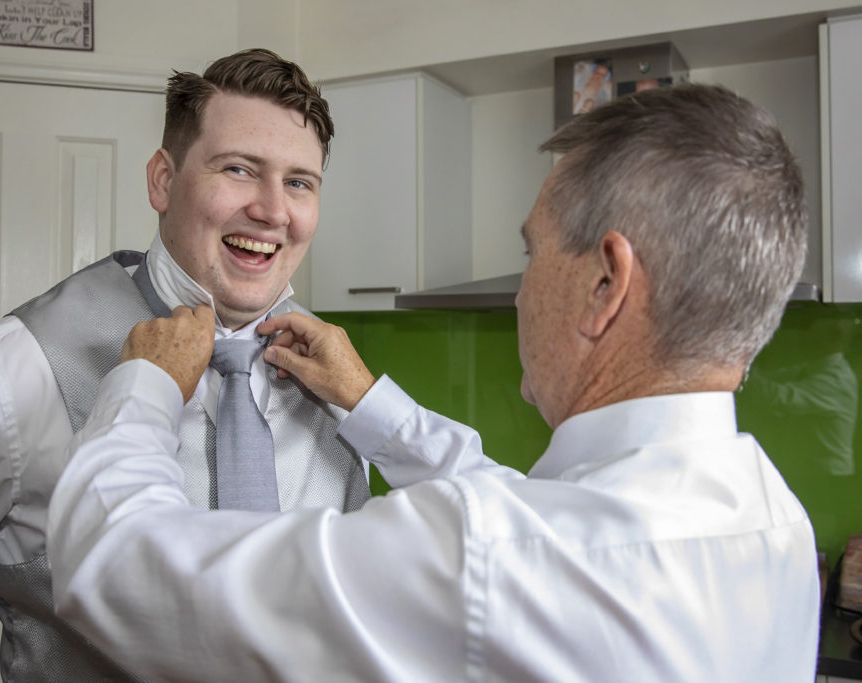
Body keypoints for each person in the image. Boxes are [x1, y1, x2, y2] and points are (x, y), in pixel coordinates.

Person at [47, 83, 821, 682]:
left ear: (605, 285)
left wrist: (146, 386)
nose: (520, 292)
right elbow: (534, 518)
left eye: (532, 255)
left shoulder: (491, 555)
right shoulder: (773, 518)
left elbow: (115, 566)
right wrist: (369, 402)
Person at [0, 48, 369, 682]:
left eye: (299, 182)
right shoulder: (11, 369)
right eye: (239, 169)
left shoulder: (343, 385)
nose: (273, 210)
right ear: (163, 180)